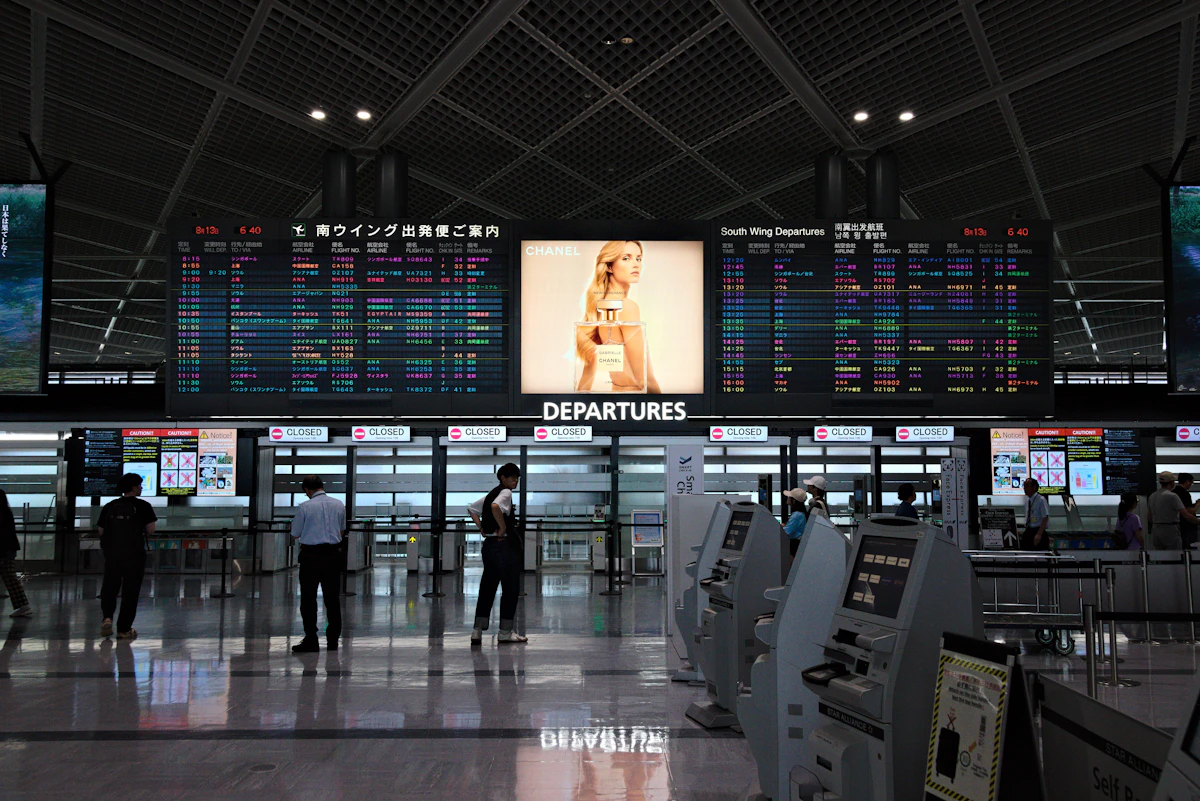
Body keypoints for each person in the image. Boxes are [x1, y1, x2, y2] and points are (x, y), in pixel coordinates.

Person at [575, 240, 661, 393]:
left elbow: (583, 386)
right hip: (636, 404)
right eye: (626, 258)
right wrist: (664, 410)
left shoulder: (597, 309)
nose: (636, 264)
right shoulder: (626, 306)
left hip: (615, 401)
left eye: (638, 258)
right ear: (609, 266)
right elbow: (644, 379)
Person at [468, 463, 526, 644]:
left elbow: (471, 509)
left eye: (517, 478)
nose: (515, 481)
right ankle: (505, 632)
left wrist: (482, 528)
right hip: (505, 547)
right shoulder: (506, 493)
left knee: (487, 587)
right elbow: (495, 507)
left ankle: (477, 631)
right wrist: (502, 527)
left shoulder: (491, 493)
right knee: (510, 589)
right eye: (512, 477)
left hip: (490, 546)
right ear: (503, 478)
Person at [290, 475, 345, 653]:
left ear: (307, 490)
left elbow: (295, 533)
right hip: (332, 556)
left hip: (310, 556)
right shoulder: (339, 504)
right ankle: (333, 640)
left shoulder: (304, 507)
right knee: (332, 599)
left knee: (308, 599)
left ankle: (311, 639)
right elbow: (342, 530)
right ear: (322, 486)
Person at [98, 473, 157, 639]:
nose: (141, 488)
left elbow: (101, 531)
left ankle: (107, 618)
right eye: (139, 485)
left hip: (112, 553)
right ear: (133, 487)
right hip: (134, 553)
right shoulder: (143, 506)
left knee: (110, 586)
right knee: (131, 590)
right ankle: (124, 629)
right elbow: (151, 529)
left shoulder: (110, 506)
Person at [0, 489, 30, 617]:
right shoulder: (5, 512)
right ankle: (23, 605)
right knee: (10, 578)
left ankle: (23, 605)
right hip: (8, 549)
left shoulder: (1, 514)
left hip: (3, 550)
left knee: (10, 578)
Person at [1149, 471, 1199, 549]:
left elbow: (1149, 516)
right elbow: (1186, 515)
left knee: (1161, 556)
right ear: (1171, 482)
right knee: (1175, 556)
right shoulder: (1172, 496)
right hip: (1170, 530)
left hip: (1156, 530)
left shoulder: (1153, 496)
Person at [1021, 478, 1050, 550]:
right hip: (1029, 529)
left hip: (1038, 530)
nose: (1025, 489)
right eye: (1024, 487)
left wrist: (1039, 534)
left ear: (1034, 487)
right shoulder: (1028, 501)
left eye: (1027, 486)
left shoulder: (1041, 500)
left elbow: (1045, 517)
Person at [1174, 473, 1199, 548]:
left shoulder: (1173, 492)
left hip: (1178, 526)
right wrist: (1197, 504)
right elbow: (1190, 511)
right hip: (1188, 527)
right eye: (1191, 482)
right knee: (1191, 548)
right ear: (1187, 481)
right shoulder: (1185, 494)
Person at [782, 488, 808, 557]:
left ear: (793, 501)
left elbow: (786, 532)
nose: (787, 498)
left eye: (789, 497)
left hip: (794, 546)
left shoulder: (796, 515)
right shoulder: (801, 514)